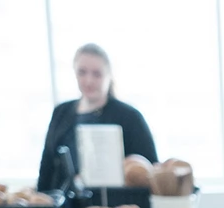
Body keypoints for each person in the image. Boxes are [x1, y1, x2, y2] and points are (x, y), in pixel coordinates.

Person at [37, 43, 157, 192]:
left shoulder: (130, 117)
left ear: (108, 75)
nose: (89, 81)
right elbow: (47, 166)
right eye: (82, 72)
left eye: (96, 74)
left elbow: (150, 172)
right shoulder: (61, 112)